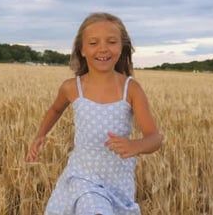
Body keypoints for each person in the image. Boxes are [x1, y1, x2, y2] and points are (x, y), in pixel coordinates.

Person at [25, 12, 163, 215]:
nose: (103, 49)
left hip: (118, 182)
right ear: (81, 50)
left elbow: (155, 137)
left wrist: (136, 145)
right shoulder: (72, 88)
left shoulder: (130, 89)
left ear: (121, 47)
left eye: (111, 41)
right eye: (93, 43)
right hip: (82, 176)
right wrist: (40, 135)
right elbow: (55, 109)